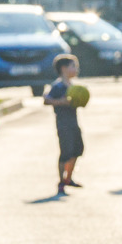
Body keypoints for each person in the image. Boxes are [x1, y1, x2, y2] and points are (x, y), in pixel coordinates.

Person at [44, 54, 84, 193]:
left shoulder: (72, 86)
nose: (76, 69)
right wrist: (61, 101)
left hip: (74, 123)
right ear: (64, 68)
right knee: (65, 152)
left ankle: (69, 178)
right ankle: (61, 181)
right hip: (63, 124)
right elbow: (46, 99)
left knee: (78, 149)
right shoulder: (58, 86)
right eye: (73, 66)